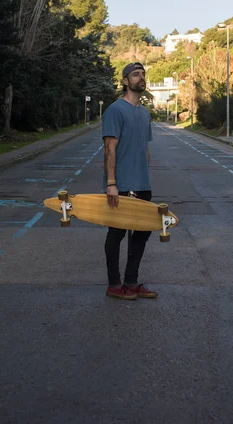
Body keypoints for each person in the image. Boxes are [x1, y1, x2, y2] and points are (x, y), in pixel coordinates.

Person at [102, 62, 158, 300]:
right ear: (125, 81)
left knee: (142, 233)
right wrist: (111, 183)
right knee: (117, 233)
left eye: (143, 74)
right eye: (136, 74)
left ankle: (132, 282)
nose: (141, 78)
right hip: (121, 185)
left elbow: (144, 148)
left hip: (142, 184)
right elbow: (109, 149)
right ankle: (114, 284)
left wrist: (144, 173)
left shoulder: (144, 113)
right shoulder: (115, 110)